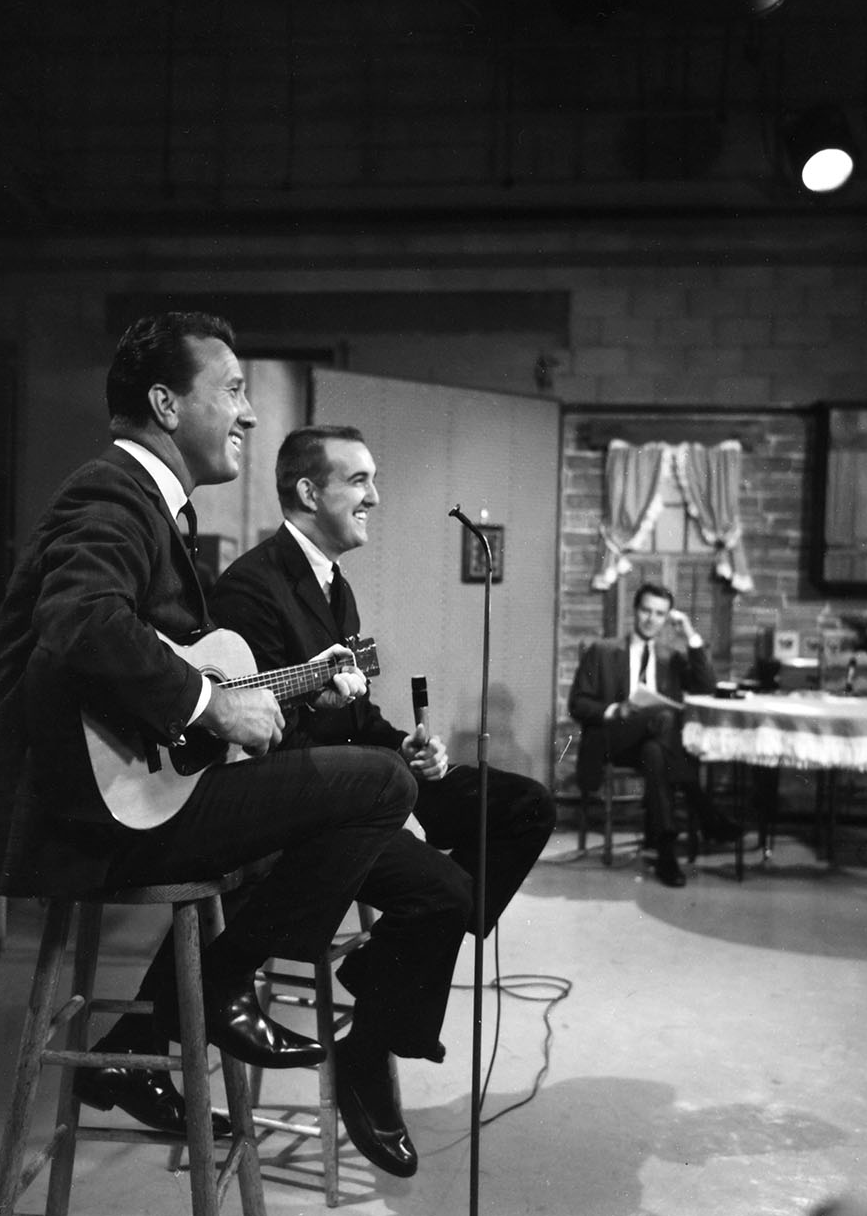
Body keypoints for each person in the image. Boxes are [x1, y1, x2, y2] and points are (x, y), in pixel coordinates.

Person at [0, 314, 417, 1137]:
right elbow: (81, 624)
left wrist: (261, 702)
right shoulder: (112, 491)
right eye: (233, 391)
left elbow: (140, 662)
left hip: (119, 803)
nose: (248, 415)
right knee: (379, 783)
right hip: (84, 820)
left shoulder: (151, 504)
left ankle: (165, 1023)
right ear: (166, 406)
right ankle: (215, 996)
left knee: (332, 791)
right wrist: (214, 705)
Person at [208, 425, 556, 1179]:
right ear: (309, 492)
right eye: (359, 480)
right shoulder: (251, 588)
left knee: (527, 809)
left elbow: (356, 717)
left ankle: (392, 966)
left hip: (374, 778)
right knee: (447, 894)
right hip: (316, 815)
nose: (376, 496)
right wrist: (371, 765)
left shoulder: (334, 582)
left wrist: (406, 750)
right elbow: (264, 741)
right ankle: (369, 1051)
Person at [567, 581, 738, 888]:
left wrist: (691, 635)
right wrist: (616, 710)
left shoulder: (670, 656)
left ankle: (666, 854)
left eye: (659, 614)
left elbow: (706, 686)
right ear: (635, 611)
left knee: (656, 752)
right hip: (611, 740)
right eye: (646, 610)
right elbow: (578, 703)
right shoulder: (603, 651)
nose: (651, 619)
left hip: (652, 744)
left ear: (666, 618)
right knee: (664, 718)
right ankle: (704, 809)